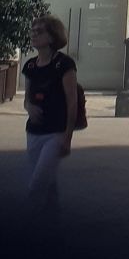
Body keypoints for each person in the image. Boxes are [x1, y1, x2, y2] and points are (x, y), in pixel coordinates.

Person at [22, 15, 78, 217]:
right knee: (47, 178)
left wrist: (68, 137)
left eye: (39, 31)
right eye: (33, 30)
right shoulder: (30, 66)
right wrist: (30, 108)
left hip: (55, 133)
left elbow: (72, 102)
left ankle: (27, 223)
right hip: (33, 132)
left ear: (52, 37)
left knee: (38, 182)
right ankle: (53, 217)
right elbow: (26, 99)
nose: (34, 34)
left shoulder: (64, 64)